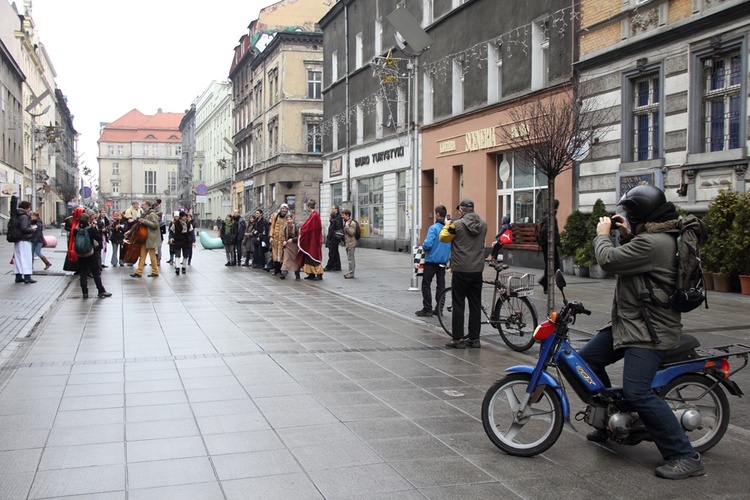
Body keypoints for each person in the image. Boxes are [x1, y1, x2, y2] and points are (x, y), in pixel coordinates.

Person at [579, 185, 703, 480]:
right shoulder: (656, 238)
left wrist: (602, 234)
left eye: (630, 213)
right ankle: (611, 420)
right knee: (585, 361)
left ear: (640, 214)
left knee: (638, 391)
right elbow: (638, 257)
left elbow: (609, 260)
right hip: (631, 324)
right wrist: (627, 234)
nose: (626, 217)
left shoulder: (653, 242)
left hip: (650, 331)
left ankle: (685, 455)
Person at [439, 199, 488, 348]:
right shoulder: (483, 225)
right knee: (475, 304)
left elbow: (443, 238)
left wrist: (447, 225)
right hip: (477, 270)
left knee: (458, 303)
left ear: (461, 210)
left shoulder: (456, 225)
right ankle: (474, 339)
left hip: (461, 269)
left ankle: (458, 339)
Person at [415, 205, 451, 316]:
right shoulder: (449, 229)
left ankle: (427, 308)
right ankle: (439, 309)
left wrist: (424, 247)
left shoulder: (434, 228)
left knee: (426, 284)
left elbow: (427, 245)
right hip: (443, 262)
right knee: (441, 285)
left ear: (438, 214)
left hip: (431, 261)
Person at [75, 213, 112, 298]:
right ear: (88, 220)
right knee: (95, 273)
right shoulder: (90, 230)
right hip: (90, 254)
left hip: (80, 255)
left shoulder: (76, 230)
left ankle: (85, 292)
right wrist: (95, 228)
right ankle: (101, 290)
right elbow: (98, 237)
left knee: (83, 274)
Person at [130, 199, 161, 278]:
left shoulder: (152, 214)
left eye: (143, 205)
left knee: (152, 255)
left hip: (150, 238)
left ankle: (155, 271)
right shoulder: (145, 214)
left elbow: (155, 225)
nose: (141, 206)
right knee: (142, 255)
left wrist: (144, 221)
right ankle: (139, 271)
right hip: (145, 237)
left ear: (147, 206)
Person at [537, 199, 561, 294]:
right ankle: (544, 283)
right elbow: (544, 231)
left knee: (551, 265)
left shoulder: (548, 215)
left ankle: (545, 283)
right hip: (549, 245)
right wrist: (550, 241)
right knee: (554, 265)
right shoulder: (550, 217)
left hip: (548, 244)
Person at [297, 199, 324, 280]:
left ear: (309, 206)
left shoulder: (315, 215)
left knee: (314, 256)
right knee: (308, 256)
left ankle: (319, 273)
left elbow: (309, 227)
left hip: (313, 240)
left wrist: (301, 229)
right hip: (310, 239)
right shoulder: (313, 215)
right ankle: (311, 273)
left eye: (307, 207)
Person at [12, 200, 37, 283]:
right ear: (26, 208)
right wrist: (32, 229)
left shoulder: (16, 215)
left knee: (18, 258)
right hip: (24, 239)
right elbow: (24, 228)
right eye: (29, 208)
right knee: (26, 258)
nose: (29, 209)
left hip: (17, 239)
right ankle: (27, 276)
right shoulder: (24, 216)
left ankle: (18, 275)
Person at [169, 211, 193, 275]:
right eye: (183, 216)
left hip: (186, 239)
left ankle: (184, 267)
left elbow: (191, 232)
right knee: (177, 253)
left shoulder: (188, 224)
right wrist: (171, 238)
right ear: (181, 217)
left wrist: (193, 241)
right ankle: (177, 267)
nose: (185, 217)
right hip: (178, 239)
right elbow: (171, 231)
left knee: (185, 254)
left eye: (185, 216)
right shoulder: (176, 223)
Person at [269, 204, 290, 275]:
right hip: (276, 238)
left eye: (285, 209)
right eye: (283, 208)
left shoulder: (288, 217)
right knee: (275, 254)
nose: (284, 210)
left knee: (283, 255)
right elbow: (272, 226)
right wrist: (271, 236)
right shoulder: (276, 216)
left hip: (283, 239)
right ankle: (276, 269)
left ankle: (283, 270)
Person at [280, 212, 300, 280]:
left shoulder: (296, 227)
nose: (289, 221)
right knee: (286, 259)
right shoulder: (285, 228)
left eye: (290, 219)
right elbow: (283, 236)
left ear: (292, 219)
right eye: (287, 219)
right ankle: (284, 272)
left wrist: (292, 239)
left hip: (294, 246)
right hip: (287, 246)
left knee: (295, 259)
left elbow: (299, 237)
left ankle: (297, 273)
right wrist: (284, 241)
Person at [324, 205, 343, 272]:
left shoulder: (337, 218)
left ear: (336, 209)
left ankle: (329, 266)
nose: (332, 210)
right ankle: (337, 266)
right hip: (333, 238)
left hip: (334, 238)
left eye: (333, 209)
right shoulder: (336, 218)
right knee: (335, 253)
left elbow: (336, 229)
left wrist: (331, 237)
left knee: (332, 253)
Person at [341, 208, 358, 279]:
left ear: (347, 215)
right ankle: (350, 272)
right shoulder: (346, 222)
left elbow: (352, 233)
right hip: (347, 243)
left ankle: (351, 273)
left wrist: (347, 226)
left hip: (351, 243)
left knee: (351, 259)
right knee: (349, 259)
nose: (342, 216)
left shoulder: (352, 223)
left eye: (343, 215)